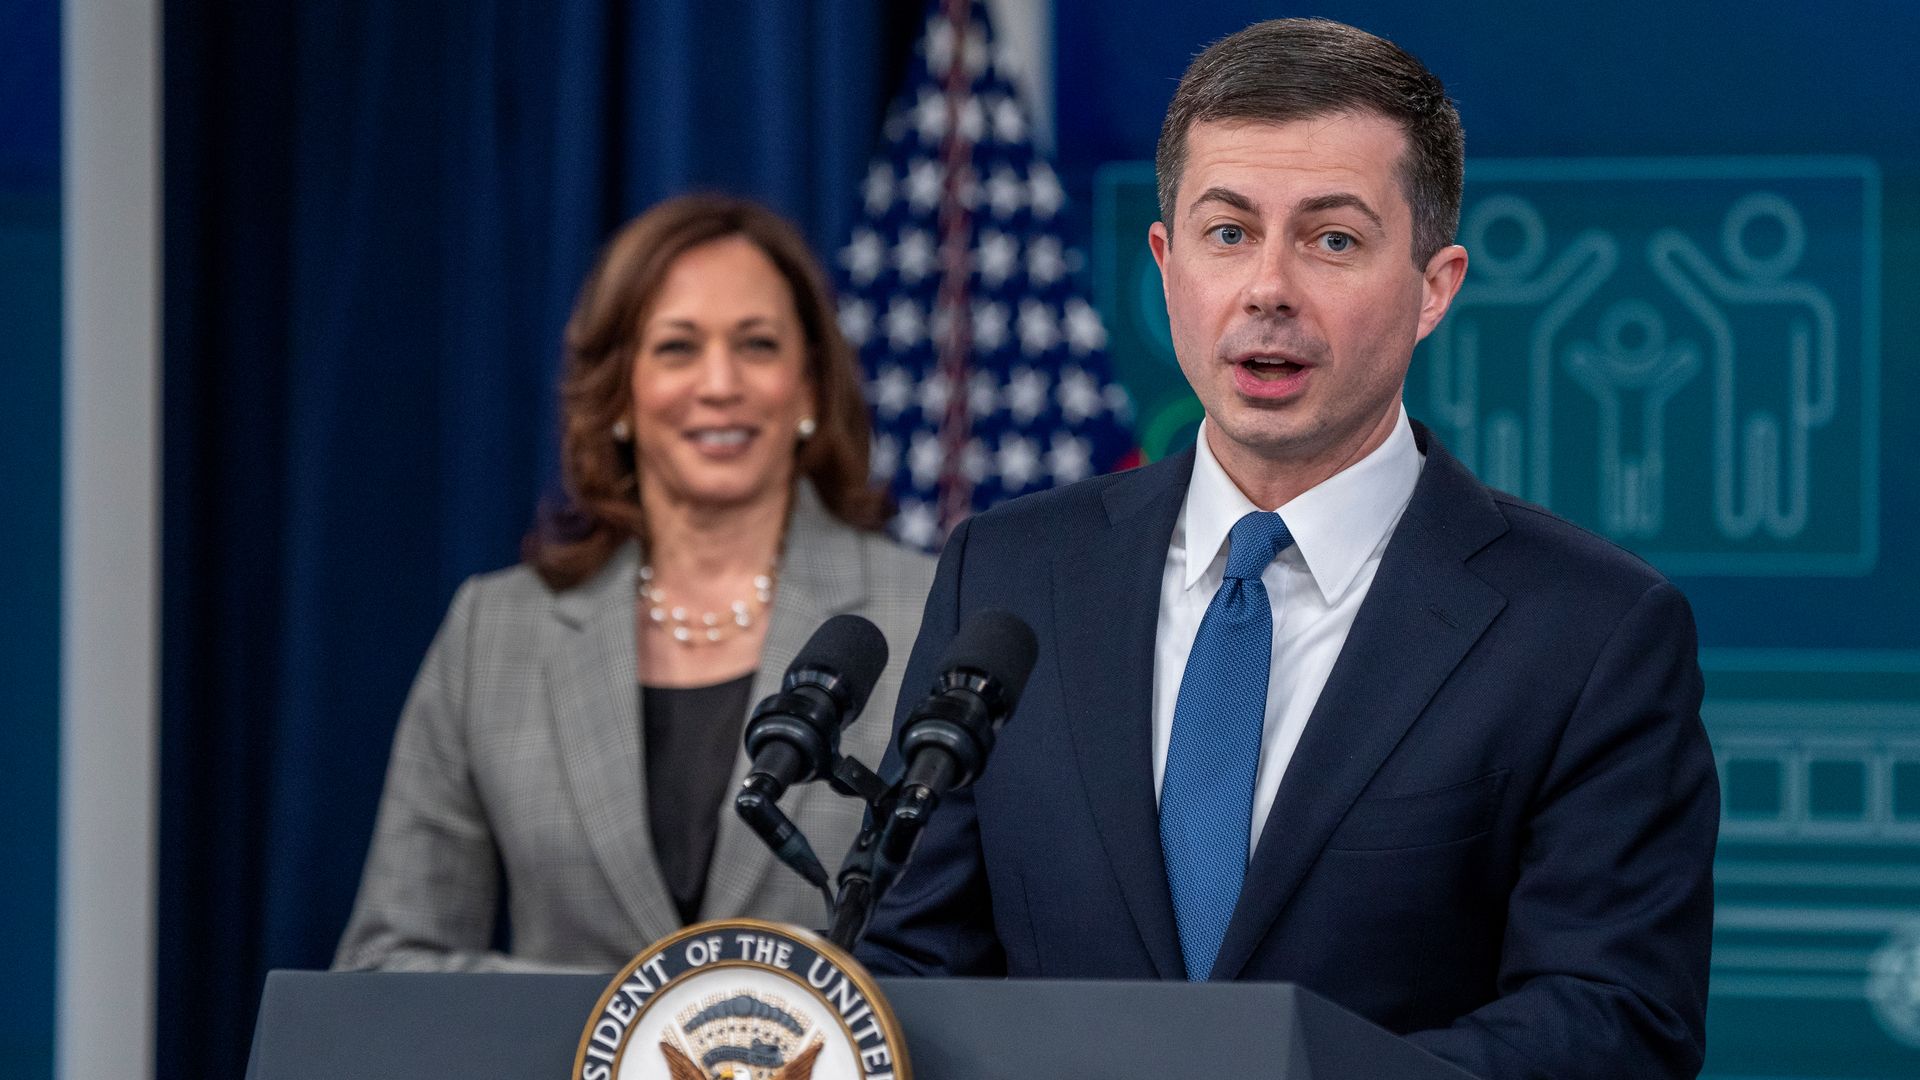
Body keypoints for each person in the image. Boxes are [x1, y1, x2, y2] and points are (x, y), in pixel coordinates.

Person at [857, 18, 1718, 1080]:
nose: (1268, 287)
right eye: (1228, 233)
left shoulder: (1590, 633)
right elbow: (907, 969)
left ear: (1435, 286)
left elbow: (1614, 1023)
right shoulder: (1010, 577)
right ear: (1167, 265)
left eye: (1332, 240)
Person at [335, 195, 934, 972]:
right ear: (617, 392)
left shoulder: (924, 612)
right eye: (677, 348)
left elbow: (978, 953)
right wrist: (634, 1027)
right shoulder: (495, 632)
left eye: (756, 345)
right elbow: (388, 960)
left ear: (811, 389)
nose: (719, 383)